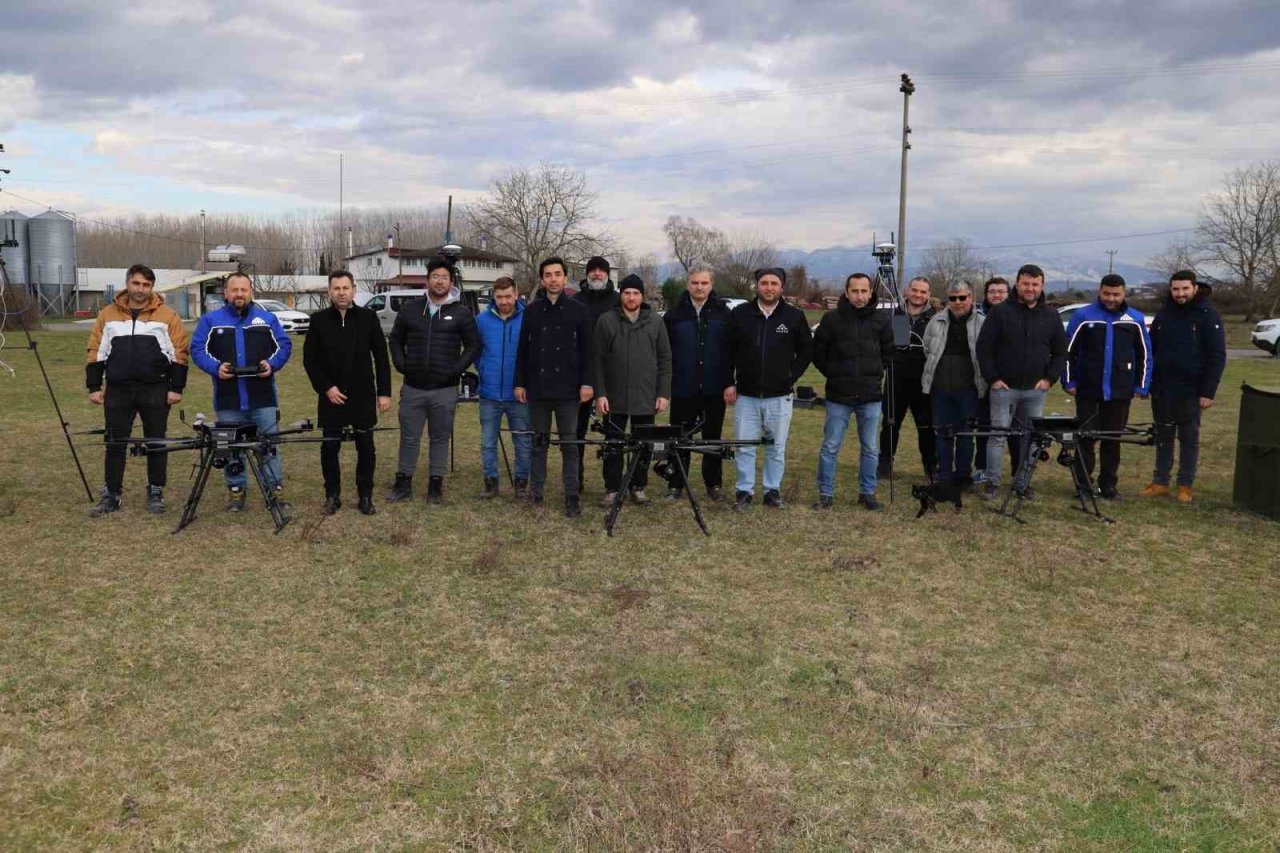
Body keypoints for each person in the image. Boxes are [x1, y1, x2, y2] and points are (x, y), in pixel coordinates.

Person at [85, 264, 190, 516]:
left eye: (146, 285)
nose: (141, 289)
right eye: (136, 283)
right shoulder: (107, 314)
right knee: (114, 442)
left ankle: (155, 490)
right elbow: (97, 349)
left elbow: (179, 353)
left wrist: (176, 388)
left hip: (155, 389)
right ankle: (112, 493)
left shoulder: (168, 316)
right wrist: (94, 385)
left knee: (156, 440)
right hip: (118, 389)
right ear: (127, 283)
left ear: (152, 287)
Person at [191, 271, 292, 511]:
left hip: (263, 398)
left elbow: (284, 345)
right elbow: (197, 350)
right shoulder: (210, 321)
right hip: (229, 400)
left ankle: (274, 492)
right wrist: (216, 368)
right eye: (234, 290)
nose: (239, 294)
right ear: (225, 293)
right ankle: (236, 492)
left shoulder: (267, 319)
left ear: (251, 292)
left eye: (243, 290)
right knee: (231, 448)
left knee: (268, 446)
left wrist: (272, 364)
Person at [386, 259, 480, 505]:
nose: (440, 281)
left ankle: (435, 486)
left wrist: (456, 370)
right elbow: (395, 339)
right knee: (409, 437)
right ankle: (403, 482)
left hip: (444, 390)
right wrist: (401, 364)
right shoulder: (410, 309)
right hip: (413, 387)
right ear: (427, 280)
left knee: (440, 438)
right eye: (435, 276)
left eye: (445, 277)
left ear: (451, 282)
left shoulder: (461, 312)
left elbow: (473, 345)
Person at [975, 263, 1067, 501]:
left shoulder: (1051, 315)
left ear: (1042, 286)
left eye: (1035, 284)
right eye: (1026, 283)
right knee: (997, 436)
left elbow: (1060, 352)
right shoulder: (1000, 312)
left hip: (1035, 391)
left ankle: (1022, 484)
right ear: (1017, 283)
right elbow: (984, 347)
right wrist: (993, 378)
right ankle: (993, 482)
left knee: (1030, 438)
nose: (1030, 288)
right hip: (1004, 389)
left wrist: (1049, 379)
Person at [303, 270, 391, 515]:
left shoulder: (368, 318)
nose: (341, 293)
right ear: (329, 291)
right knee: (330, 447)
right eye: (336, 288)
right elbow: (310, 361)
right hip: (331, 396)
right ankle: (332, 495)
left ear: (354, 289)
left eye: (345, 288)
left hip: (362, 395)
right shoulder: (318, 320)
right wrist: (326, 388)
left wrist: (384, 393)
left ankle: (365, 496)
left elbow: (382, 358)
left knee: (366, 447)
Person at [726, 267, 813, 511]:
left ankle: (771, 491)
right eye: (764, 283)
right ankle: (744, 491)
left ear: (782, 287)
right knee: (745, 445)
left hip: (779, 396)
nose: (769, 287)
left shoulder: (793, 316)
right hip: (747, 395)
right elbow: (728, 350)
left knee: (776, 447)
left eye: (774, 283)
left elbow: (806, 351)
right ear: (757, 286)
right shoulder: (741, 314)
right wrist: (729, 381)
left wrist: (790, 376)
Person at [515, 257, 593, 517]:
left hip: (569, 390)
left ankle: (571, 495)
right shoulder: (532, 310)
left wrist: (587, 383)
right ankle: (536, 493)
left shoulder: (578, 309)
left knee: (570, 444)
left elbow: (587, 351)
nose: (553, 279)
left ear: (565, 277)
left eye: (558, 274)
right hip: (538, 388)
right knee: (539, 443)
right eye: (548, 275)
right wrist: (520, 383)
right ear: (541, 280)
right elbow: (523, 350)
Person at [1062, 273, 1152, 500]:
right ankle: (1083, 484)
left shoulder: (1135, 319)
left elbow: (1145, 355)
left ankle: (1108, 485)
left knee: (1113, 440)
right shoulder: (1083, 316)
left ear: (1124, 293)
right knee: (1086, 438)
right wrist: (1069, 381)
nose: (1111, 298)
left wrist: (1141, 386)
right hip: (1088, 389)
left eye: (1116, 294)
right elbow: (1067, 352)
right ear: (1099, 292)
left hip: (1120, 391)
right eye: (1106, 293)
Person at [1140, 270, 1225, 503]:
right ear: (1171, 289)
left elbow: (1217, 356)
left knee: (1189, 439)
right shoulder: (1164, 314)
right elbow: (1151, 351)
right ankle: (1160, 482)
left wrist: (1208, 391)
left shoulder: (1208, 316)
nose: (1180, 293)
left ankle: (1185, 485)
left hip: (1192, 390)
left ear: (1195, 288)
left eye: (1185, 289)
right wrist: (1147, 384)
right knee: (1163, 436)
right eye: (1176, 289)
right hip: (1163, 389)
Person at [812, 272, 894, 510]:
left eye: (864, 291)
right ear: (846, 293)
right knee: (830, 446)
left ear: (871, 293)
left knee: (870, 448)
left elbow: (888, 354)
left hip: (870, 397)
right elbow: (819, 354)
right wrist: (836, 374)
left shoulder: (881, 320)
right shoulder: (831, 320)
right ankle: (825, 494)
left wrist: (874, 375)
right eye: (855, 291)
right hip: (839, 396)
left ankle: (867, 493)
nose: (859, 296)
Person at [592, 274, 672, 505]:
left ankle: (638, 486)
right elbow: (597, 360)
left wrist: (663, 393)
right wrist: (601, 393)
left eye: (635, 293)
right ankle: (612, 488)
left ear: (642, 296)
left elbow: (665, 359)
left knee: (643, 444)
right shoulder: (607, 320)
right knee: (614, 444)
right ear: (621, 295)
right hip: (614, 396)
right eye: (627, 292)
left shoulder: (655, 321)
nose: (631, 297)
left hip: (645, 395)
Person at [663, 262, 734, 501]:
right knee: (680, 438)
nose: (699, 287)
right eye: (695, 283)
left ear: (711, 284)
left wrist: (728, 382)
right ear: (688, 284)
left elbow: (731, 352)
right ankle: (676, 484)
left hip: (714, 388)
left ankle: (713, 484)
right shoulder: (674, 315)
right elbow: (665, 352)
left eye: (704, 283)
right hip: (683, 387)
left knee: (712, 438)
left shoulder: (724, 313)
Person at [921, 281, 986, 486]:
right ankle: (945, 474)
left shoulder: (981, 323)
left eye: (962, 297)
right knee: (942, 434)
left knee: (966, 435)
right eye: (953, 298)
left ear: (971, 297)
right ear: (947, 299)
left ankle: (963, 475)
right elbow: (927, 349)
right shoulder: (935, 321)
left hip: (969, 389)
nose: (957, 302)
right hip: (940, 389)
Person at [474, 276, 531, 499]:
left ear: (516, 294)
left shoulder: (528, 318)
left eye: (508, 296)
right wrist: (485, 370)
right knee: (488, 442)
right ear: (493, 297)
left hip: (519, 394)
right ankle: (491, 483)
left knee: (522, 441)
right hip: (489, 394)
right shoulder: (481, 320)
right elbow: (476, 351)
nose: (504, 301)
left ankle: (521, 482)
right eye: (499, 297)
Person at [879, 275, 937, 482]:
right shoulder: (897, 315)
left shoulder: (934, 318)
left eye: (923, 291)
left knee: (926, 426)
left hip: (923, 382)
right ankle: (885, 463)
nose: (918, 295)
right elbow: (889, 346)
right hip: (896, 379)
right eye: (915, 290)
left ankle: (931, 466)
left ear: (928, 295)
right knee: (890, 423)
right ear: (907, 291)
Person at [572, 255, 620, 495]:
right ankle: (575, 479)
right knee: (576, 431)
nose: (598, 274)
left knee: (614, 432)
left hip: (612, 377)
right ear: (587, 274)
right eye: (593, 270)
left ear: (608, 274)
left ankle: (612, 485)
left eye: (602, 270)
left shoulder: (619, 301)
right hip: (581, 377)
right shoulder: (576, 301)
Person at [972, 276, 1010, 484]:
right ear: (986, 295)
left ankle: (1017, 473)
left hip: (1009, 381)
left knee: (1012, 430)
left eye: (1001, 291)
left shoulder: (1015, 315)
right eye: (992, 291)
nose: (997, 295)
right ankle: (981, 468)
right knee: (984, 427)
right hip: (981, 380)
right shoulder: (976, 316)